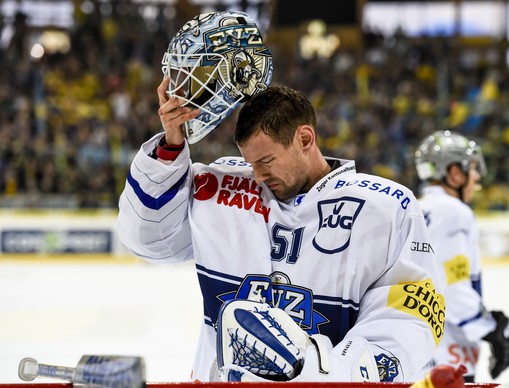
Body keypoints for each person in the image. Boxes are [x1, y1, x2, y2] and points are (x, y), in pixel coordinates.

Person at [118, 11, 444, 383]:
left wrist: (322, 370)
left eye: (267, 160)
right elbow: (148, 240)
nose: (257, 174)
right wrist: (172, 144)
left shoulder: (387, 208)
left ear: (305, 140)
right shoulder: (219, 188)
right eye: (249, 162)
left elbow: (410, 320)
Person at [414, 130, 509, 382]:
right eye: (472, 168)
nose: (477, 177)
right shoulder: (453, 212)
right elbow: (450, 287)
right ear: (454, 172)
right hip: (447, 354)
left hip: (416, 348)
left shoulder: (416, 207)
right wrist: (491, 328)